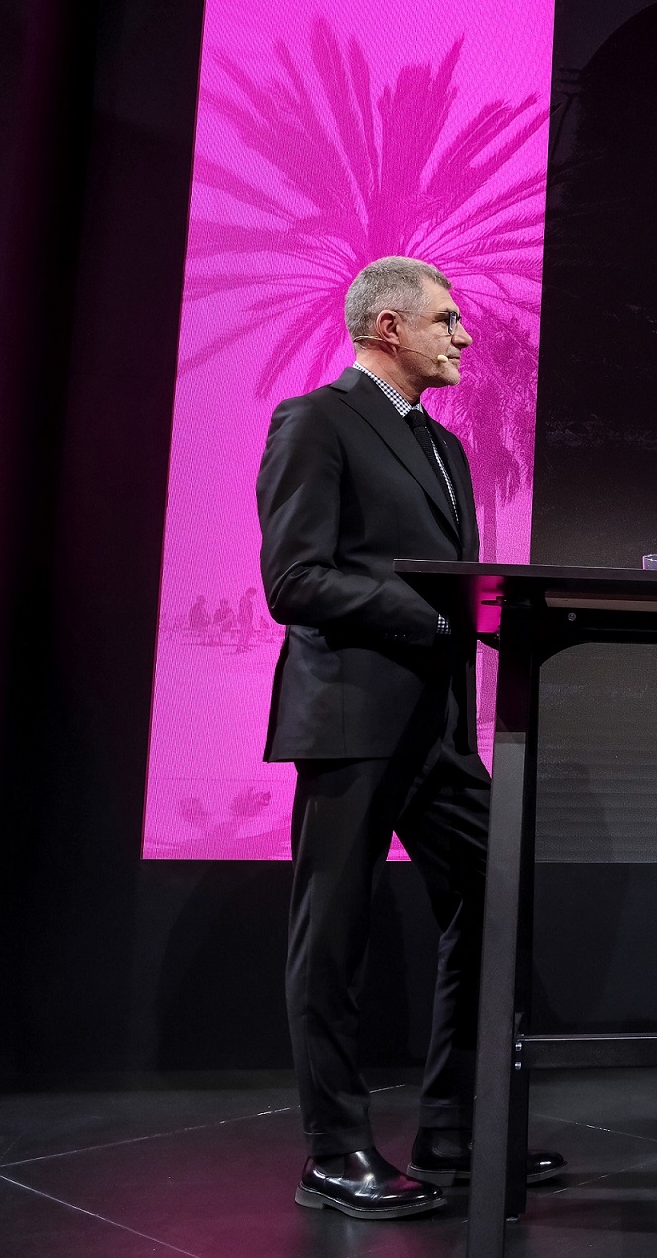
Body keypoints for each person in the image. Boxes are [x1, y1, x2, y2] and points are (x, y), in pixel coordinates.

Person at [256, 255, 563, 1219]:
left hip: (439, 728)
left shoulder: (447, 447)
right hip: (351, 719)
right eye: (446, 320)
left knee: (495, 892)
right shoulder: (316, 420)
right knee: (331, 937)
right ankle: (333, 1152)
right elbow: (294, 579)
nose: (464, 336)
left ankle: (454, 1128)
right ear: (387, 327)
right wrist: (433, 617)